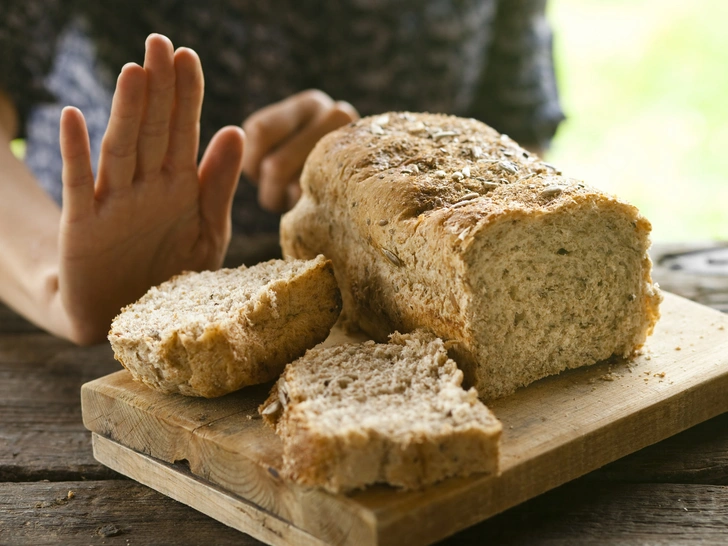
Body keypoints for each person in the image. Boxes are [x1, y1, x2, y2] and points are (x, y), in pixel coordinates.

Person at [0, 1, 564, 345]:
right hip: (58, 305)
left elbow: (515, 133)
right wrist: (52, 278)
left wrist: (374, 166)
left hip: (394, 320)